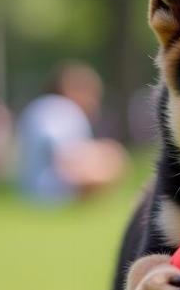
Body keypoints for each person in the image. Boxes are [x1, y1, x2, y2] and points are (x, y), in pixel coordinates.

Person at [17, 62, 127, 202]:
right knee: (112, 156)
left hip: (30, 189)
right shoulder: (65, 110)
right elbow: (62, 154)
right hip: (50, 191)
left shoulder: (42, 105)